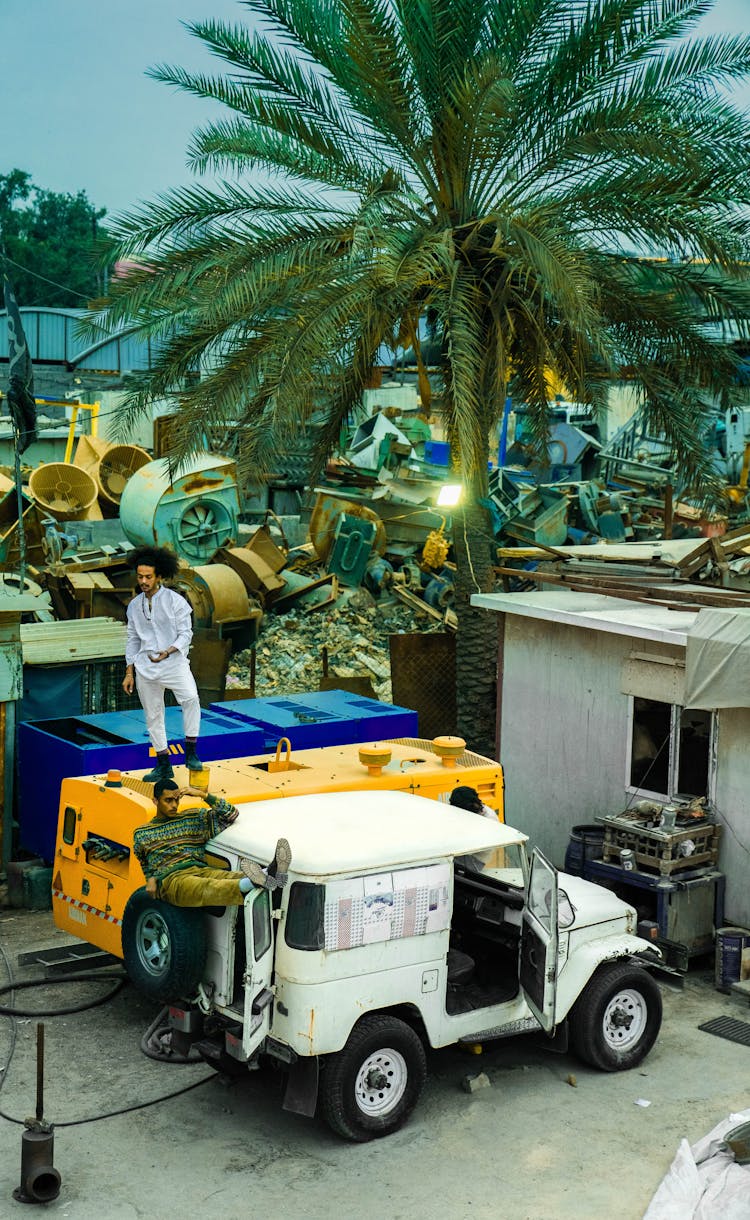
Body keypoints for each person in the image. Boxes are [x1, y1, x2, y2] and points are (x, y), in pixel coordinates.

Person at [133, 778, 292, 907]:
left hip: (200, 868)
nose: (174, 805)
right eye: (168, 800)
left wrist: (203, 795)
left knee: (227, 876)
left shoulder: (193, 818)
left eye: (176, 799)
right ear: (155, 801)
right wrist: (150, 880)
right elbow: (145, 862)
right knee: (206, 886)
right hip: (171, 880)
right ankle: (255, 881)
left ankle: (267, 875)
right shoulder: (142, 833)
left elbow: (231, 814)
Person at [123, 545, 201, 783]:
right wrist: (129, 671)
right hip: (145, 668)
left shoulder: (176, 601)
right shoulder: (134, 606)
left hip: (174, 664)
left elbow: (186, 634)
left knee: (191, 698)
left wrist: (168, 652)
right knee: (153, 715)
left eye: (148, 576)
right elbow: (133, 638)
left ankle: (191, 753)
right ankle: (163, 763)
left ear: (159, 576)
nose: (144, 581)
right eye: (140, 576)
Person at [449, 786, 498, 871]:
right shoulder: (471, 809)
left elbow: (468, 847)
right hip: (461, 851)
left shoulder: (489, 820)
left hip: (474, 859)